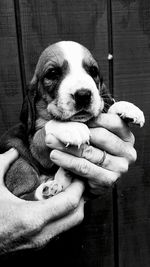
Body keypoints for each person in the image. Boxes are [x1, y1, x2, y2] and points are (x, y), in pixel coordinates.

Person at [0, 113, 136, 255]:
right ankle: (36, 194)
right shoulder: (39, 130)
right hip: (25, 169)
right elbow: (43, 156)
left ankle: (45, 190)